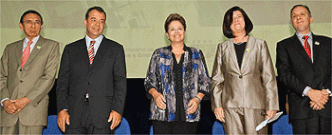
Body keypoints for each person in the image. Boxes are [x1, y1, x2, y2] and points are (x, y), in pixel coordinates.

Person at [56, 6, 127, 134]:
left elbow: (120, 83)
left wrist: (117, 110)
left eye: (101, 21)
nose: (97, 25)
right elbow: (62, 82)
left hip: (103, 115)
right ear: (85, 22)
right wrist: (62, 109)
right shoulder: (70, 49)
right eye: (93, 20)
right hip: (74, 114)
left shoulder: (115, 49)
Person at [210, 6, 279, 134]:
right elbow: (217, 79)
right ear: (227, 25)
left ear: (245, 20)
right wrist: (217, 105)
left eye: (239, 17)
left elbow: (269, 77)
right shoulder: (222, 48)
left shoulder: (260, 45)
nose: (236, 20)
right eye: (232, 19)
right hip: (230, 107)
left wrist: (272, 106)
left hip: (256, 105)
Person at [144, 13, 210, 134]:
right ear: (167, 34)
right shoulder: (158, 54)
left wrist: (197, 99)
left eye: (180, 28)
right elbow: (149, 80)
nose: (176, 32)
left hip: (189, 115)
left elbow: (205, 82)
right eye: (172, 29)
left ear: (185, 31)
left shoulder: (196, 54)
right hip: (162, 115)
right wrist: (155, 95)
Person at [0, 10, 60, 134]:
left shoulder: (51, 46)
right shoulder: (10, 48)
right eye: (29, 22)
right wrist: (5, 100)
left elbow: (48, 77)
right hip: (8, 110)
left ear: (41, 26)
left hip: (33, 109)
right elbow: (2, 76)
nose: (33, 26)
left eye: (37, 22)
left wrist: (25, 100)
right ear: (21, 26)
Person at [276, 4, 331, 134]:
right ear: (292, 22)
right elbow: (284, 74)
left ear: (310, 19)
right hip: (301, 110)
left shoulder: (328, 43)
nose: (298, 18)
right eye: (294, 16)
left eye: (302, 14)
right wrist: (309, 92)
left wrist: (324, 94)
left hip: (327, 107)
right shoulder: (284, 45)